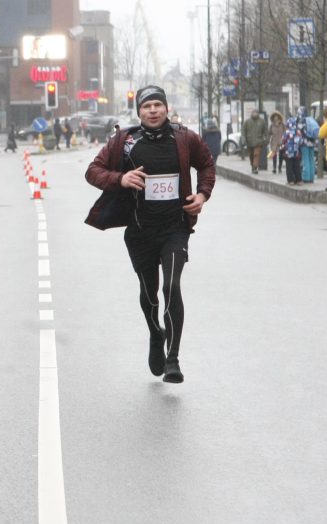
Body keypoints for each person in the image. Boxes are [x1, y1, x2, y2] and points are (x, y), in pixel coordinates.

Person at [84, 85, 216, 384]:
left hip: (175, 228)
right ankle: (156, 334)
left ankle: (173, 359)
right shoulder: (125, 141)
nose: (153, 110)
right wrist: (121, 178)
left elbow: (207, 164)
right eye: (147, 106)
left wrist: (203, 194)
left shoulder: (183, 138)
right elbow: (93, 171)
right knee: (149, 295)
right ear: (139, 112)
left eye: (158, 105)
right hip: (140, 231)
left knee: (171, 286)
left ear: (166, 109)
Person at [279, 117, 304, 185]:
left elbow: (282, 141)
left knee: (289, 167)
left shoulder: (286, 132)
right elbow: (301, 141)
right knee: (297, 166)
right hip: (296, 152)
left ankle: (290, 180)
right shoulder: (298, 132)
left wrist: (283, 147)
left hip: (288, 153)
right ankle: (299, 180)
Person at [297, 107, 320, 183]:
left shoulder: (301, 121)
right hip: (312, 142)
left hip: (304, 142)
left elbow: (299, 131)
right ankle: (311, 177)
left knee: (305, 159)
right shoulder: (310, 119)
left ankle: (306, 177)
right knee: (311, 160)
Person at [242, 109, 268, 174]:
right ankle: (253, 166)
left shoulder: (262, 121)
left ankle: (255, 167)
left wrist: (266, 140)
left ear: (258, 114)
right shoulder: (247, 122)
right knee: (251, 155)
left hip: (258, 141)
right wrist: (244, 140)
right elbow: (243, 131)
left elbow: (265, 131)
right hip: (249, 142)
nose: (255, 114)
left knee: (256, 154)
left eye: (256, 113)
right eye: (253, 113)